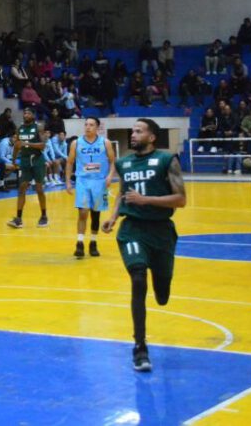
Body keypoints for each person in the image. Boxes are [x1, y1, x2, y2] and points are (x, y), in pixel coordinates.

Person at [102, 118, 186, 372]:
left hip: (161, 232)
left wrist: (145, 199)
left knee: (162, 294)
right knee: (138, 279)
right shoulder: (124, 163)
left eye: (139, 131)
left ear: (151, 137)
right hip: (132, 230)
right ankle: (140, 347)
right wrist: (114, 216)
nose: (133, 134)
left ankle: (163, 287)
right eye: (133, 131)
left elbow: (181, 199)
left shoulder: (166, 159)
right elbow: (123, 192)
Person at [65, 117, 117, 258]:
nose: (88, 127)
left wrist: (110, 176)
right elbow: (69, 163)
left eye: (91, 125)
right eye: (86, 124)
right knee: (83, 212)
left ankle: (93, 242)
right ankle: (79, 243)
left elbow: (113, 162)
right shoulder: (76, 143)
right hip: (83, 181)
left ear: (97, 128)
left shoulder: (105, 143)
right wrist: (68, 181)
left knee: (95, 214)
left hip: (99, 181)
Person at [7, 108, 48, 228]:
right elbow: (17, 145)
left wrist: (27, 144)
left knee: (39, 189)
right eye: (24, 113)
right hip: (25, 161)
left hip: (37, 160)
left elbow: (42, 146)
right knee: (22, 188)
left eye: (28, 113)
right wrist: (14, 160)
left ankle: (44, 216)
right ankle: (18, 219)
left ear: (33, 115)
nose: (26, 115)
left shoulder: (39, 127)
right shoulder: (19, 129)